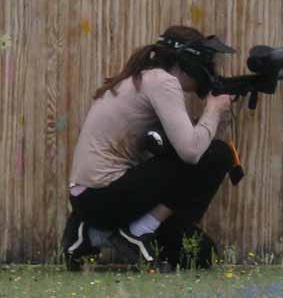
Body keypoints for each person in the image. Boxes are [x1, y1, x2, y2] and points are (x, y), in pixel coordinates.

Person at [61, 25, 244, 270]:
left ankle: (91, 232)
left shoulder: (146, 77)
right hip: (102, 197)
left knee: (201, 255)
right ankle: (137, 232)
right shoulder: (162, 82)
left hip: (92, 199)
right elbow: (191, 152)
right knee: (218, 154)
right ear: (188, 64)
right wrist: (214, 109)